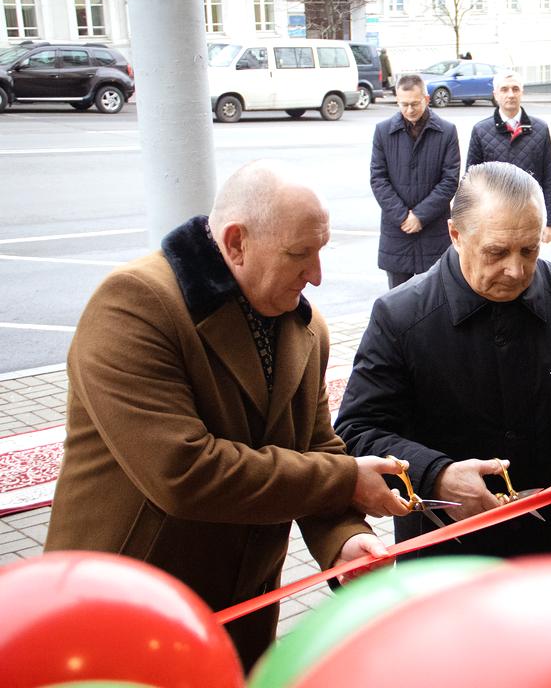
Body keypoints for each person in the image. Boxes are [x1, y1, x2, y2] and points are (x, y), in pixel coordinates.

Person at [44, 162, 410, 670]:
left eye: (321, 251)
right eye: (299, 254)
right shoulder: (135, 304)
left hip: (242, 612)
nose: (317, 276)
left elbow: (316, 447)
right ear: (236, 242)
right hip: (126, 605)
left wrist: (344, 540)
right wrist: (346, 480)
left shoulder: (304, 325)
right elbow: (183, 472)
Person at [336, 162, 551, 560]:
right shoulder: (401, 316)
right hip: (446, 556)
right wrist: (435, 475)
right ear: (455, 235)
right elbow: (356, 430)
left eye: (530, 249)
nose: (516, 269)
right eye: (496, 252)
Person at [371, 73, 461, 288]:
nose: (409, 110)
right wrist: (403, 216)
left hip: (433, 231)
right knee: (398, 300)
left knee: (437, 295)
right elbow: (378, 178)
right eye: (403, 105)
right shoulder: (383, 131)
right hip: (397, 229)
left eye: (414, 104)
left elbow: (449, 181)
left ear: (426, 99)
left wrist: (420, 216)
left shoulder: (446, 132)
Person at [467, 70, 551, 244]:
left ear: (522, 92)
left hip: (530, 216)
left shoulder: (540, 129)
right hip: (493, 219)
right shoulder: (480, 131)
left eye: (515, 89)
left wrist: (550, 222)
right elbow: (471, 180)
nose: (510, 94)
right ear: (495, 94)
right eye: (504, 89)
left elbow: (550, 178)